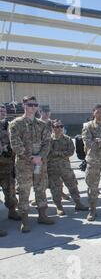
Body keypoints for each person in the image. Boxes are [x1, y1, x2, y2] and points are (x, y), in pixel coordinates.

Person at [9, 96, 55, 233]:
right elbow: (15, 144)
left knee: (40, 188)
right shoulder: (16, 124)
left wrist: (40, 156)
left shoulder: (42, 125)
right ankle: (24, 221)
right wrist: (31, 158)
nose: (33, 107)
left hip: (40, 162)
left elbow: (48, 142)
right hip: (24, 164)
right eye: (30, 105)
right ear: (24, 105)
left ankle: (42, 216)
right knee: (24, 191)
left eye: (35, 105)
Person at [47, 120, 88, 216]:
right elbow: (47, 152)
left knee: (73, 185)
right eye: (56, 127)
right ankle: (59, 207)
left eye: (60, 126)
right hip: (52, 169)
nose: (58, 129)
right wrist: (61, 154)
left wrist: (56, 154)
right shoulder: (48, 140)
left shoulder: (67, 139)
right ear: (52, 128)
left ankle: (78, 203)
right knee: (55, 188)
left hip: (66, 168)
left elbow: (70, 152)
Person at [0, 105, 21, 237]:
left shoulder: (10, 126)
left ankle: (12, 211)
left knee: (11, 191)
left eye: (3, 111)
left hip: (7, 166)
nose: (1, 113)